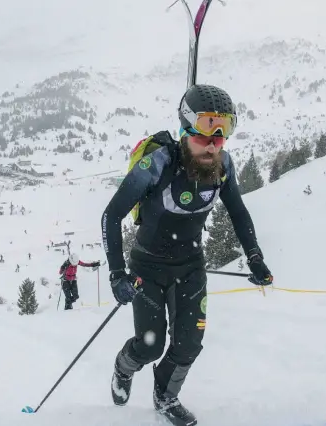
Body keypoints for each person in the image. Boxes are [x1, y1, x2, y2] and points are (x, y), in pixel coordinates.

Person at [100, 84, 274, 425]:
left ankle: (166, 396)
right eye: (207, 129)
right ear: (186, 128)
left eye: (223, 132)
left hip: (191, 266)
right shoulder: (157, 164)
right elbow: (111, 215)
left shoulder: (224, 166)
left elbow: (238, 212)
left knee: (189, 344)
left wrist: (255, 257)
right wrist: (117, 274)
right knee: (149, 346)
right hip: (147, 267)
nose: (213, 143)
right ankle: (124, 366)